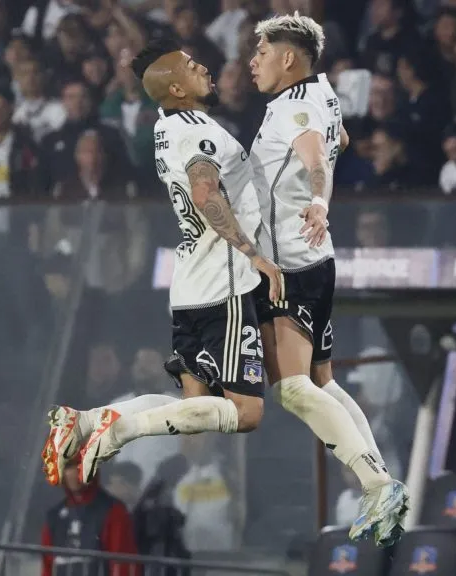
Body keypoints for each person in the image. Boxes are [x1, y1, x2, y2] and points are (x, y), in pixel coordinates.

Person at [40, 36, 284, 488]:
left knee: (193, 401)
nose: (205, 69)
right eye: (192, 67)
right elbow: (205, 193)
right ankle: (119, 433)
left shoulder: (164, 127)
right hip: (225, 281)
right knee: (245, 411)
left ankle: (86, 421)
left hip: (190, 283)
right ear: (175, 89)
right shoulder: (200, 132)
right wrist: (255, 256)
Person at [247, 12, 408, 547]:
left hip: (291, 264)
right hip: (317, 259)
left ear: (288, 58)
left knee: (292, 389)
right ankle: (380, 481)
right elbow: (338, 133)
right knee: (321, 383)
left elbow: (317, 149)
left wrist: (318, 197)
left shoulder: (295, 106)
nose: (253, 62)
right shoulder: (321, 89)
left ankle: (376, 482)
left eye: (262, 53)